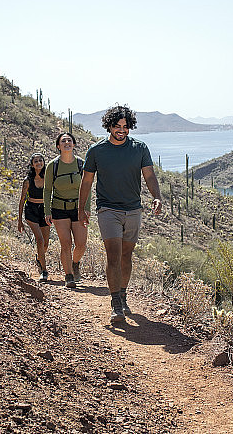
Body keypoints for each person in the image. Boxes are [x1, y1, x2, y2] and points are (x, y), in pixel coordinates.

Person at [79, 105, 162, 323]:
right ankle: (115, 302)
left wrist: (157, 196)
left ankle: (123, 294)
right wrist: (82, 208)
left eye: (125, 126)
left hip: (133, 209)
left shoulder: (140, 148)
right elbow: (87, 181)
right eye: (117, 126)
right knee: (113, 254)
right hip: (107, 209)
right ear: (109, 125)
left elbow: (149, 176)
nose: (121, 130)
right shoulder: (97, 151)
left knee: (126, 255)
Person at [44, 132, 90, 289]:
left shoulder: (81, 164)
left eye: (69, 140)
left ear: (74, 144)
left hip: (78, 209)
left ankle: (75, 263)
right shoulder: (53, 166)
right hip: (59, 209)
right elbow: (47, 189)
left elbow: (87, 187)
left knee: (81, 244)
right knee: (66, 243)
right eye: (63, 141)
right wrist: (47, 211)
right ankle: (69, 275)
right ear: (58, 146)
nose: (67, 143)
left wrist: (86, 208)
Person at [17, 153, 50, 281]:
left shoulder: (48, 178)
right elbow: (22, 200)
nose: (38, 163)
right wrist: (19, 221)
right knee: (40, 240)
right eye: (36, 161)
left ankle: (39, 258)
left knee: (45, 244)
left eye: (40, 160)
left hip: (45, 211)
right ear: (32, 164)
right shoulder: (27, 180)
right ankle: (44, 270)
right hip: (31, 211)